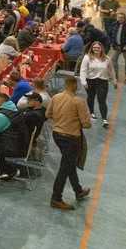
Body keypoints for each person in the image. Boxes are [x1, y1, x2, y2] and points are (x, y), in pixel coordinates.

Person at [45, 77, 92, 210]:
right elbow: (86, 124)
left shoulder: (56, 97)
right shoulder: (79, 101)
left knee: (69, 163)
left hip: (57, 135)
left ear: (65, 85)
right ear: (75, 86)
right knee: (65, 168)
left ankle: (78, 190)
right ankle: (56, 198)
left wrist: (61, 120)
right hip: (71, 138)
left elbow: (48, 114)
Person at [79, 41, 116, 127]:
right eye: (94, 48)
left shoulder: (106, 58)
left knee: (102, 100)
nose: (96, 49)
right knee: (91, 97)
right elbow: (83, 70)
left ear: (101, 49)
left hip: (102, 81)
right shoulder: (87, 57)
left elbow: (111, 70)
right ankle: (91, 112)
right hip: (90, 81)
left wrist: (114, 80)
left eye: (98, 48)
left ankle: (104, 119)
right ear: (91, 48)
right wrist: (83, 81)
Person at [107, 12, 126, 82]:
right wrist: (112, 44)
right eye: (118, 17)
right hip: (117, 46)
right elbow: (111, 35)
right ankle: (115, 75)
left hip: (125, 46)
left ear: (124, 18)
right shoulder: (114, 25)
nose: (120, 19)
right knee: (113, 60)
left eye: (121, 17)